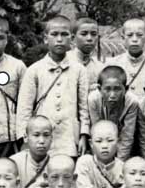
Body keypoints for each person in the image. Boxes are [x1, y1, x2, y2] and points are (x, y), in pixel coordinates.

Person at [17, 15, 90, 157]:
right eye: (54, 34)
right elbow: (24, 108)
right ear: (45, 38)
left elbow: (83, 108)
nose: (59, 39)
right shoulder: (34, 70)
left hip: (69, 139)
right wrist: (25, 139)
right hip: (41, 140)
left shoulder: (79, 70)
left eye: (64, 34)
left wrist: (83, 135)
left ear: (72, 38)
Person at [88, 66, 139, 160]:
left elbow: (127, 136)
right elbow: (97, 132)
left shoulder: (132, 102)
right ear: (99, 89)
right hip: (102, 144)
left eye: (117, 89)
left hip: (122, 145)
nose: (112, 95)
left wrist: (119, 163)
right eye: (107, 89)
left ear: (126, 89)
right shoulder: (93, 100)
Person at [106, 18, 145, 98]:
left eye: (139, 35)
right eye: (130, 35)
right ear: (123, 38)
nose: (134, 40)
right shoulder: (112, 64)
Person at [0, 16, 26, 157]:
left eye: (0, 38)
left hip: (9, 140)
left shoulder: (17, 66)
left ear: (7, 39)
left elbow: (26, 104)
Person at [75, 120, 124, 188]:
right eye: (99, 141)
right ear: (91, 144)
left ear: (118, 142)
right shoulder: (85, 163)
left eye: (110, 140)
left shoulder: (123, 168)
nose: (104, 146)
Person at [10, 116, 52, 188]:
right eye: (36, 135)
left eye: (46, 135)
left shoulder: (57, 163)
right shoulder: (14, 163)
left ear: (51, 138)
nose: (41, 141)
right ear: (26, 137)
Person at [67, 17, 103, 91]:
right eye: (84, 34)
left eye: (93, 34)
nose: (89, 38)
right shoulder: (64, 62)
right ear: (73, 38)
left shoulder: (100, 68)